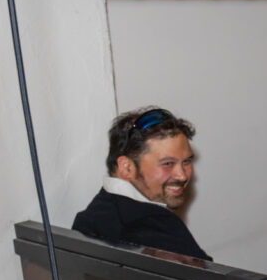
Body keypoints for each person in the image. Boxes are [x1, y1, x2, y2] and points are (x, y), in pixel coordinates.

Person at [72, 106, 211, 260]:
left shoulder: (90, 217)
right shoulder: (157, 228)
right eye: (167, 163)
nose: (182, 175)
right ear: (127, 167)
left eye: (186, 161)